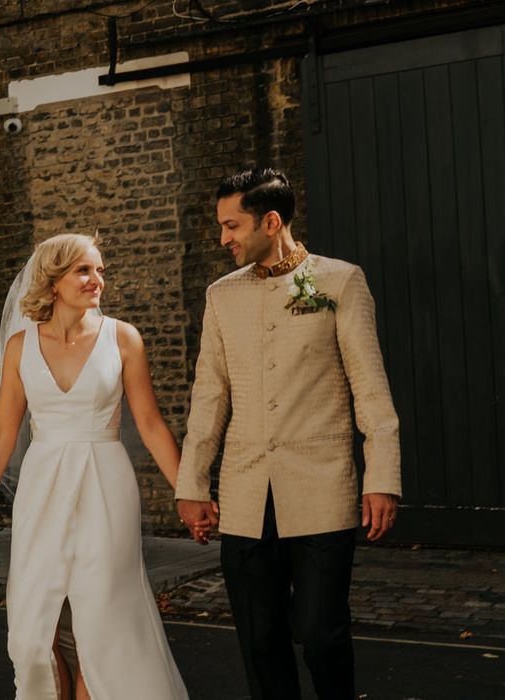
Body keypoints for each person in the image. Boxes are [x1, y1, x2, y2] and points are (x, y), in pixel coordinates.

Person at [175, 168, 401, 699]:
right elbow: (209, 397)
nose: (223, 238)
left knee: (322, 636)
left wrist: (382, 476)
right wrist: (193, 484)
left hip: (321, 488)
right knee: (260, 643)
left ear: (270, 221)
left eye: (232, 226)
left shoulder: (341, 282)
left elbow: (371, 390)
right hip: (246, 493)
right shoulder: (220, 296)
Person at [0, 233, 196, 700]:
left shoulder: (123, 339)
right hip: (42, 487)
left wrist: (189, 491)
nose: (97, 280)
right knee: (31, 634)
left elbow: (149, 424)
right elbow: (3, 433)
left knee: (102, 624)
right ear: (53, 279)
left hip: (105, 486)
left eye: (100, 270)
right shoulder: (20, 347)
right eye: (84, 270)